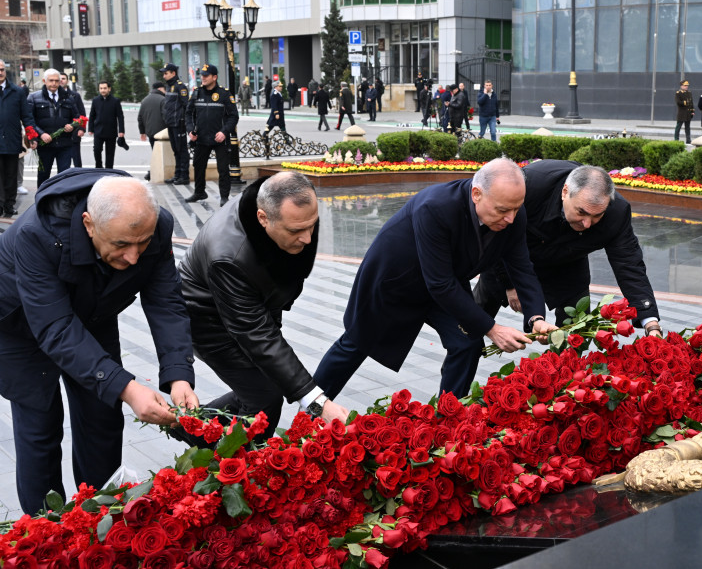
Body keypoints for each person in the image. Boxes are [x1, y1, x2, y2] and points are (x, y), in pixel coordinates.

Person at [0, 171, 198, 515]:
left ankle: (100, 519)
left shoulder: (156, 224)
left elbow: (166, 300)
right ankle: (47, 533)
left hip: (94, 313)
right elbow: (55, 328)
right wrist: (127, 387)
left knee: (103, 419)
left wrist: (179, 373)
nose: (134, 257)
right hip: (20, 328)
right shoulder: (37, 234)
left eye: (143, 242)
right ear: (89, 224)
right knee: (40, 431)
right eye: (121, 245)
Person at [314, 158, 556, 399]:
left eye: (516, 209)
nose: (511, 218)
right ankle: (310, 415)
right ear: (476, 194)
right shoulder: (436, 206)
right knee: (355, 344)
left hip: (445, 282)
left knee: (468, 344)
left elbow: (522, 267)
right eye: (503, 210)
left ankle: (448, 420)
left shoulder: (512, 210)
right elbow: (439, 283)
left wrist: (536, 317)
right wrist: (492, 329)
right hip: (396, 280)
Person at [178, 172, 348, 443]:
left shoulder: (290, 212)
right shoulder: (229, 258)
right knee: (265, 398)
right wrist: (318, 404)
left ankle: (192, 425)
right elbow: (257, 336)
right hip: (205, 319)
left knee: (262, 384)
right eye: (296, 231)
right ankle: (239, 471)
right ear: (263, 218)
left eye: (312, 226)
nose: (307, 239)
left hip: (252, 304)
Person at [473, 161, 662, 337]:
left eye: (597, 216)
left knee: (575, 336)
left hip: (568, 264)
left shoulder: (616, 213)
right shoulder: (530, 186)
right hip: (511, 260)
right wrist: (510, 283)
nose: (587, 223)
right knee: (471, 326)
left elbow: (629, 264)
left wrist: (650, 323)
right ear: (565, 192)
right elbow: (496, 234)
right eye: (581, 212)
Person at [185, 64, 239, 207]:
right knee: (198, 165)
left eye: (206, 75)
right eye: (202, 75)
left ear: (214, 77)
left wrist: (224, 131)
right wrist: (190, 130)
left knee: (223, 169)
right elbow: (188, 113)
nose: (202, 78)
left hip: (219, 138)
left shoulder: (224, 94)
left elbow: (233, 116)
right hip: (201, 138)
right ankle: (199, 192)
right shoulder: (196, 93)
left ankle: (224, 197)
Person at [27, 69, 80, 187]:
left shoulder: (68, 98)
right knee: (43, 175)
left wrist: (72, 126)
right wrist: (41, 134)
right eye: (51, 81)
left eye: (57, 81)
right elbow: (29, 121)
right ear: (44, 81)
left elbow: (77, 118)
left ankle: (62, 202)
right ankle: (41, 200)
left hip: (65, 145)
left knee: (64, 176)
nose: (54, 83)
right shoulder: (34, 98)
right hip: (45, 145)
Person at [0, 59, 34, 218]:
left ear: (5, 71)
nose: (0, 72)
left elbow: (26, 116)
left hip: (12, 142)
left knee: (11, 176)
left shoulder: (17, 92)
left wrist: (32, 136)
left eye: (1, 69)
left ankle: (9, 205)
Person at [160, 63, 190, 185]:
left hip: (179, 123)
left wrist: (185, 123)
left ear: (173, 73)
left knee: (181, 150)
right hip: (171, 123)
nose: (164, 76)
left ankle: (184, 176)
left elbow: (186, 106)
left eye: (166, 73)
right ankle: (177, 174)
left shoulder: (180, 87)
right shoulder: (169, 87)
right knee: (175, 150)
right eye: (163, 73)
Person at [87, 81, 126, 170]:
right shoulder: (95, 100)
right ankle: (99, 167)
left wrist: (121, 131)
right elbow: (92, 115)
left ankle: (109, 169)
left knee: (110, 153)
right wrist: (90, 128)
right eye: (101, 88)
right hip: (98, 131)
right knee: (96, 150)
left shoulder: (115, 101)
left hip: (111, 131)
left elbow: (120, 116)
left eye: (105, 88)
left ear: (109, 89)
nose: (103, 90)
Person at [62, 80, 86, 169]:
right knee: (63, 160)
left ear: (67, 81)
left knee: (76, 158)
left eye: (63, 78)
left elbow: (81, 114)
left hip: (74, 131)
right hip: (60, 133)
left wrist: (81, 129)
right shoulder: (54, 96)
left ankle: (79, 176)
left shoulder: (75, 95)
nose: (61, 80)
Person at [137, 82, 166, 148]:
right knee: (164, 155)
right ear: (160, 88)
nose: (165, 91)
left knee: (155, 153)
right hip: (163, 134)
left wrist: (142, 132)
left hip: (150, 133)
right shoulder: (163, 99)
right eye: (164, 89)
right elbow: (166, 117)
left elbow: (140, 118)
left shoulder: (144, 100)